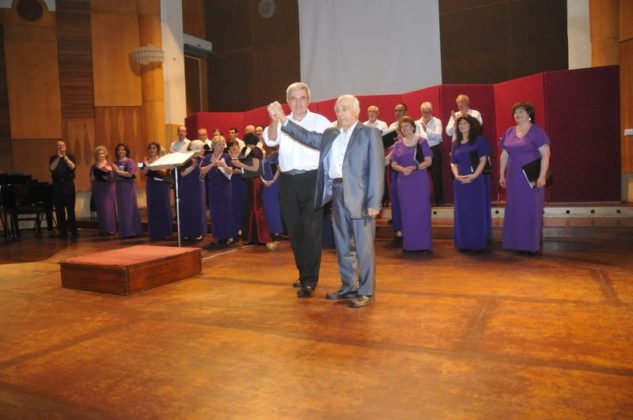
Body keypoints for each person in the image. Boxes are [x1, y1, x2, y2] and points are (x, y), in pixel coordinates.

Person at [268, 94, 384, 308]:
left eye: (345, 108)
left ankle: (366, 291)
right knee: (342, 243)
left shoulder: (369, 133)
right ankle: (349, 285)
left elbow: (377, 168)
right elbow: (306, 137)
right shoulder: (331, 133)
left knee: (364, 247)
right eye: (337, 109)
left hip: (360, 195)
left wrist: (374, 202)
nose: (340, 113)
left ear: (357, 111)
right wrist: (284, 120)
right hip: (337, 193)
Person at [262, 82, 331, 297]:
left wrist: (283, 119)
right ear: (287, 101)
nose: (298, 102)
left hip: (312, 179)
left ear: (308, 100)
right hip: (288, 182)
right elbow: (270, 140)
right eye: (293, 98)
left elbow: (318, 143)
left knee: (311, 232)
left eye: (302, 98)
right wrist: (275, 120)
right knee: (294, 231)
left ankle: (310, 279)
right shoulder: (281, 120)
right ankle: (303, 273)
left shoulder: (320, 121)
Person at [499, 102, 551, 255]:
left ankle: (530, 245)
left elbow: (546, 155)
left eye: (521, 111)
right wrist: (501, 174)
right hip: (513, 177)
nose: (518, 114)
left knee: (530, 209)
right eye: (516, 112)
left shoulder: (537, 132)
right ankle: (515, 243)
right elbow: (504, 155)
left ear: (529, 114)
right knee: (514, 210)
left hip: (531, 176)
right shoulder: (509, 132)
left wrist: (542, 176)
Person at [389, 116, 433, 252]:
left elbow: (428, 161)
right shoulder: (398, 145)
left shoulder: (422, 141)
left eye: (407, 126)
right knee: (407, 212)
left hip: (420, 181)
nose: (404, 129)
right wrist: (402, 169)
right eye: (402, 127)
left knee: (422, 211)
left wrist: (415, 168)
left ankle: (424, 245)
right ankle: (409, 245)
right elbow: (393, 164)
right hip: (404, 182)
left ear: (413, 127)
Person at [450, 116, 491, 251]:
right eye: (460, 124)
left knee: (475, 212)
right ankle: (463, 243)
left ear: (471, 125)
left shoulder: (479, 140)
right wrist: (456, 175)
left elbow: (483, 160)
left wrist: (474, 176)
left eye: (465, 123)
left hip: (475, 180)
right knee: (462, 213)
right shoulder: (455, 143)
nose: (462, 126)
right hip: (460, 181)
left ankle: (476, 243)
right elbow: (453, 163)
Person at [232, 132, 270, 244]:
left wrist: (240, 165)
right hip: (252, 182)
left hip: (254, 182)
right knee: (252, 207)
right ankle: (255, 236)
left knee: (255, 207)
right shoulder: (255, 150)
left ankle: (258, 236)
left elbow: (255, 168)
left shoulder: (255, 151)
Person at [200, 137, 235, 246]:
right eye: (219, 144)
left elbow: (230, 171)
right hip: (213, 188)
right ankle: (218, 235)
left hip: (225, 187)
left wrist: (224, 165)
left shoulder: (226, 156)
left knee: (226, 210)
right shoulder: (207, 157)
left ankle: (229, 235)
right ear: (214, 145)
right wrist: (212, 164)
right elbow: (202, 171)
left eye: (223, 144)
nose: (222, 146)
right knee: (215, 211)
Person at [141, 142, 172, 241]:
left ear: (157, 150)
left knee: (162, 207)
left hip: (161, 185)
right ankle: (154, 233)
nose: (152, 150)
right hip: (151, 186)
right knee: (152, 208)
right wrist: (146, 166)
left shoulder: (162, 159)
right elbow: (142, 174)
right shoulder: (146, 160)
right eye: (150, 148)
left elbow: (164, 172)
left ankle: (165, 232)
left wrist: (151, 166)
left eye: (154, 148)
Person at [178, 140, 207, 241]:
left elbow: (203, 174)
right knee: (187, 208)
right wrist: (193, 166)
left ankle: (198, 232)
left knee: (197, 209)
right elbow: (182, 173)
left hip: (198, 186)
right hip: (187, 187)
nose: (203, 150)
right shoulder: (187, 159)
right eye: (202, 148)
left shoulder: (203, 160)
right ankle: (187, 232)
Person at [416, 102, 445, 206]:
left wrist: (426, 130)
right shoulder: (416, 123)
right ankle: (421, 200)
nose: (426, 114)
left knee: (436, 176)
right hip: (421, 150)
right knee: (420, 176)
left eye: (428, 112)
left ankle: (439, 200)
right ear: (421, 111)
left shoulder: (437, 121)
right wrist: (430, 136)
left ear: (431, 111)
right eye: (424, 112)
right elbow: (417, 138)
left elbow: (438, 137)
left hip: (434, 150)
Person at [112, 143, 143, 238]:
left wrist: (118, 171)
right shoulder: (115, 163)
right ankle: (124, 231)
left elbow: (131, 174)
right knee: (121, 209)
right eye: (119, 150)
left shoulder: (129, 161)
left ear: (126, 151)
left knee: (129, 208)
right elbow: (113, 176)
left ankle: (132, 231)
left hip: (128, 187)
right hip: (119, 187)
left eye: (123, 149)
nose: (120, 151)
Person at [49, 141, 78, 238]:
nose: (60, 147)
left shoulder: (70, 156)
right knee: (59, 209)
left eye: (62, 145)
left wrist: (64, 157)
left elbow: (73, 167)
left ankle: (73, 230)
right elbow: (52, 168)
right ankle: (63, 231)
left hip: (68, 185)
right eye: (58, 145)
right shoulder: (53, 158)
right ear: (56, 147)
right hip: (57, 185)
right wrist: (58, 157)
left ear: (65, 147)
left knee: (70, 209)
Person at [89, 145, 116, 236]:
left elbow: (113, 178)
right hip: (98, 188)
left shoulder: (110, 164)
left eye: (102, 153)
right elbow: (91, 179)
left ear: (105, 154)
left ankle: (110, 229)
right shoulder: (93, 166)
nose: (100, 155)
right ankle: (103, 229)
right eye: (98, 154)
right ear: (96, 155)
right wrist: (94, 175)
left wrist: (110, 171)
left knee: (109, 208)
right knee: (100, 208)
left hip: (108, 188)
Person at [260, 144, 284, 240]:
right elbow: (259, 170)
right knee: (267, 206)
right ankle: (270, 230)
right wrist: (263, 181)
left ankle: (277, 231)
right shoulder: (264, 155)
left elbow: (279, 168)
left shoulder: (277, 154)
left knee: (274, 207)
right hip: (265, 183)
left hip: (274, 183)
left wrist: (273, 180)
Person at [227, 140, 247, 239]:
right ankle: (233, 228)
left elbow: (248, 170)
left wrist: (240, 171)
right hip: (230, 184)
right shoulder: (227, 158)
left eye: (237, 146)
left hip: (241, 183)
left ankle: (241, 228)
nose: (235, 148)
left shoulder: (243, 158)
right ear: (229, 149)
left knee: (240, 205)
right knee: (232, 206)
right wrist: (232, 171)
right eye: (232, 147)